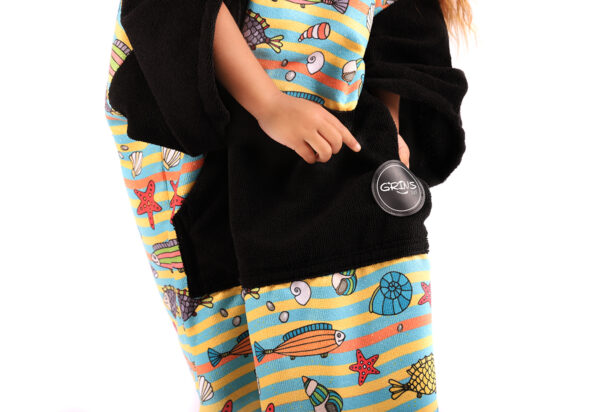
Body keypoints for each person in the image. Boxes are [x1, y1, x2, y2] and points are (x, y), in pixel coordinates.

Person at [104, 0, 472, 409]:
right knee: (234, 355)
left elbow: (403, 23)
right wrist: (268, 103)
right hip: (212, 146)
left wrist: (390, 128)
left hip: (345, 148)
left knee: (382, 359)